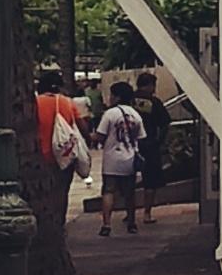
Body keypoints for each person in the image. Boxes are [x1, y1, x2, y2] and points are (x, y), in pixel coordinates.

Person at [93, 80, 145, 236]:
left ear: (117, 97)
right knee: (129, 193)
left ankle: (106, 224)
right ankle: (132, 223)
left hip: (111, 159)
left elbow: (100, 136)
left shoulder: (110, 114)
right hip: (130, 158)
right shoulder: (136, 115)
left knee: (108, 191)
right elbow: (141, 137)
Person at [132, 71, 171, 223]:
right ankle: (147, 213)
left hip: (129, 145)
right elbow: (165, 123)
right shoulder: (154, 102)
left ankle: (130, 212)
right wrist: (159, 141)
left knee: (128, 180)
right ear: (150, 85)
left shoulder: (129, 100)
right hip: (149, 144)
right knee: (150, 181)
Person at [36, 68, 87, 170]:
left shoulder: (35, 103)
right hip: (64, 155)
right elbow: (82, 126)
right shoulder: (68, 102)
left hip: (40, 156)